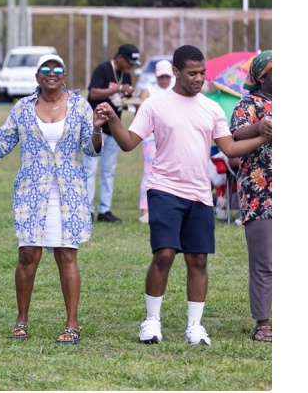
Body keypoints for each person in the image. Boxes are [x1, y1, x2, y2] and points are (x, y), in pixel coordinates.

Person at [94, 45, 271, 345]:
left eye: (202, 73)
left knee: (198, 260)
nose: (199, 78)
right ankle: (151, 321)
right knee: (163, 255)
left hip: (200, 194)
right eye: (192, 73)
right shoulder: (155, 105)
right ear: (175, 72)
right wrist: (113, 118)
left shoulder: (211, 108)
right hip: (164, 189)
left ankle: (195, 326)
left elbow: (229, 149)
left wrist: (262, 138)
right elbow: (127, 143)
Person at [0, 54, 104, 344]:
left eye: (57, 69)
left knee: (66, 254)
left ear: (64, 76)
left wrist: (99, 128)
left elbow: (91, 149)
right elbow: (0, 145)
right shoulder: (23, 108)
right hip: (32, 193)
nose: (51, 73)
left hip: (69, 192)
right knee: (28, 255)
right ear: (37, 76)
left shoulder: (79, 106)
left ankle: (72, 324)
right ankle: (21, 319)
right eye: (45, 69)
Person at [230, 50, 272, 342]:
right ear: (261, 76)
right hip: (260, 194)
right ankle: (263, 323)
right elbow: (236, 134)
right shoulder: (248, 104)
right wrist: (260, 127)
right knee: (264, 262)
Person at [83, 43, 141, 223]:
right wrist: (118, 88)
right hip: (94, 129)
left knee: (109, 171)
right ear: (121, 58)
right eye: (129, 62)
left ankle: (105, 210)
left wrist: (131, 97)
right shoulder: (103, 69)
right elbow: (93, 93)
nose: (131, 67)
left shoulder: (127, 76)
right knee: (90, 170)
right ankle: (86, 210)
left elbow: (123, 101)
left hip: (113, 130)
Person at [135, 59, 174, 223]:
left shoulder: (175, 90)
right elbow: (140, 111)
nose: (164, 80)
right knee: (149, 172)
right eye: (161, 77)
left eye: (167, 77)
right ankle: (145, 210)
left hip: (170, 138)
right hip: (151, 138)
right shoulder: (149, 91)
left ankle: (167, 207)